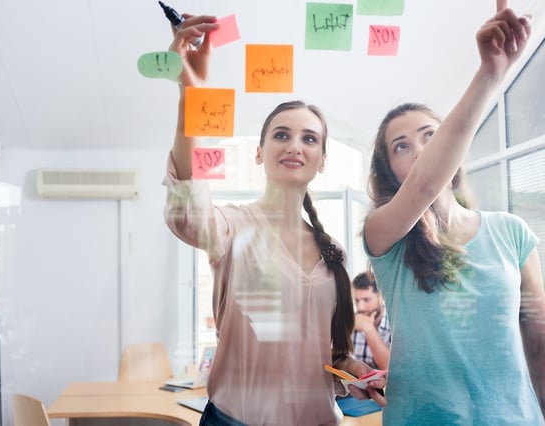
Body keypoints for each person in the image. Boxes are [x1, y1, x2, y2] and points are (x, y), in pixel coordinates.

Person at [162, 14, 385, 426]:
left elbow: (329, 354)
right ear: (259, 152)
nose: (295, 145)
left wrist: (356, 370)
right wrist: (191, 97)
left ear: (321, 161)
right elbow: (185, 211)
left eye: (309, 138)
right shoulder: (232, 228)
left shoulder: (330, 250)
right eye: (281, 134)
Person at [362, 5, 545, 425]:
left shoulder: (511, 232)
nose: (422, 150)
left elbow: (538, 340)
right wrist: (491, 72)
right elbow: (424, 185)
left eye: (432, 136)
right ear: (388, 170)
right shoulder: (382, 235)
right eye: (401, 146)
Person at [351, 271, 391, 370]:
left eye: (366, 300)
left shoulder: (395, 324)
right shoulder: (351, 323)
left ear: (381, 296)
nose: (360, 308)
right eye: (357, 300)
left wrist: (368, 329)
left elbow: (389, 369)